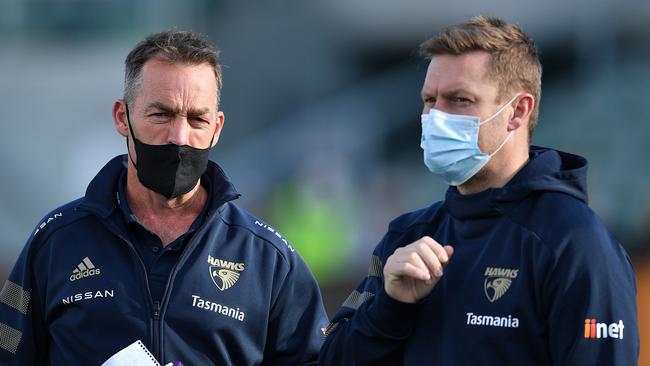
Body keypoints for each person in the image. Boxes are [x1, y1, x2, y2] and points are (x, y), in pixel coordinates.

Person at [319, 16, 639, 365]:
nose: (435, 117)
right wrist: (390, 307)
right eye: (430, 100)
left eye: (459, 100)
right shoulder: (406, 235)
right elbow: (332, 360)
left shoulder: (574, 243)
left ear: (517, 111)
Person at [0, 30, 328, 365]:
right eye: (162, 115)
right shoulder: (55, 241)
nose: (179, 136)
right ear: (122, 117)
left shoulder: (268, 258)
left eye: (197, 119)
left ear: (216, 128)